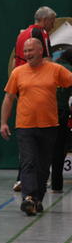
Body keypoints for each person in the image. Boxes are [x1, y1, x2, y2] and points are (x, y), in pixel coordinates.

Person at [0, 38, 72, 216]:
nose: (27, 54)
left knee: (43, 166)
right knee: (28, 162)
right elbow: (9, 98)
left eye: (30, 50)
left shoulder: (55, 70)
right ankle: (29, 198)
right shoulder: (18, 72)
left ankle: (37, 198)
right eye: (25, 51)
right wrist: (3, 122)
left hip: (49, 125)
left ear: (40, 51)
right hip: (25, 126)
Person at [11, 6, 56, 191]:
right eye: (52, 21)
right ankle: (33, 178)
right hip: (35, 85)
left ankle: (22, 178)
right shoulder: (41, 33)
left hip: (22, 85)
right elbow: (47, 60)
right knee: (38, 135)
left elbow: (15, 61)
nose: (53, 25)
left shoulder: (22, 34)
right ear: (45, 20)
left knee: (27, 135)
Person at [51, 49, 72, 193]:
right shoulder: (69, 70)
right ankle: (56, 185)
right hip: (63, 113)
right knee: (59, 149)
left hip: (47, 112)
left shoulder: (51, 67)